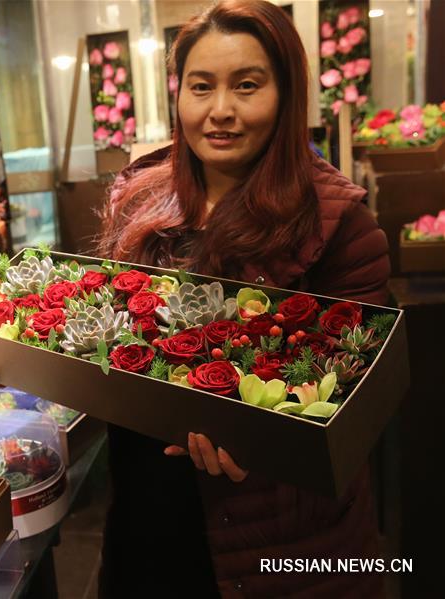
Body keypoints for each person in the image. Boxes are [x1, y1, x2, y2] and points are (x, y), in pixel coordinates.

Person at [93, 1, 389, 597]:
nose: (220, 111)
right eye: (201, 87)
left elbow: (352, 407)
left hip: (272, 534)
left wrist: (266, 445)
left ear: (286, 94)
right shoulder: (139, 197)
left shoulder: (339, 225)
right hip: (149, 515)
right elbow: (103, 341)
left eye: (247, 85)